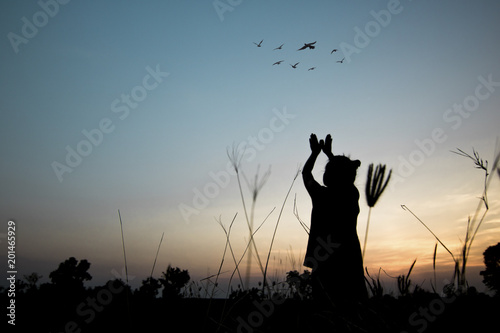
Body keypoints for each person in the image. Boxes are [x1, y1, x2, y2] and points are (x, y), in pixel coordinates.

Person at [302, 133, 367, 306]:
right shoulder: (352, 194)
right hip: (350, 260)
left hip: (324, 262)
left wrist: (315, 153)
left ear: (330, 175)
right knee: (354, 307)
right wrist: (330, 156)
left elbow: (306, 173)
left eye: (327, 170)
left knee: (326, 307)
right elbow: (345, 173)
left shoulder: (321, 195)